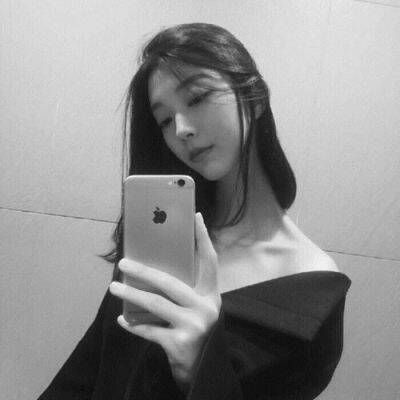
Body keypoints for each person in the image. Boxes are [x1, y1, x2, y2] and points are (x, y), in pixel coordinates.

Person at [38, 23, 351, 399]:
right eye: (165, 120)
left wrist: (200, 369)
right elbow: (89, 369)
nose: (181, 129)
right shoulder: (164, 235)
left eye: (198, 97)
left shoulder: (312, 293)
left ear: (254, 97)